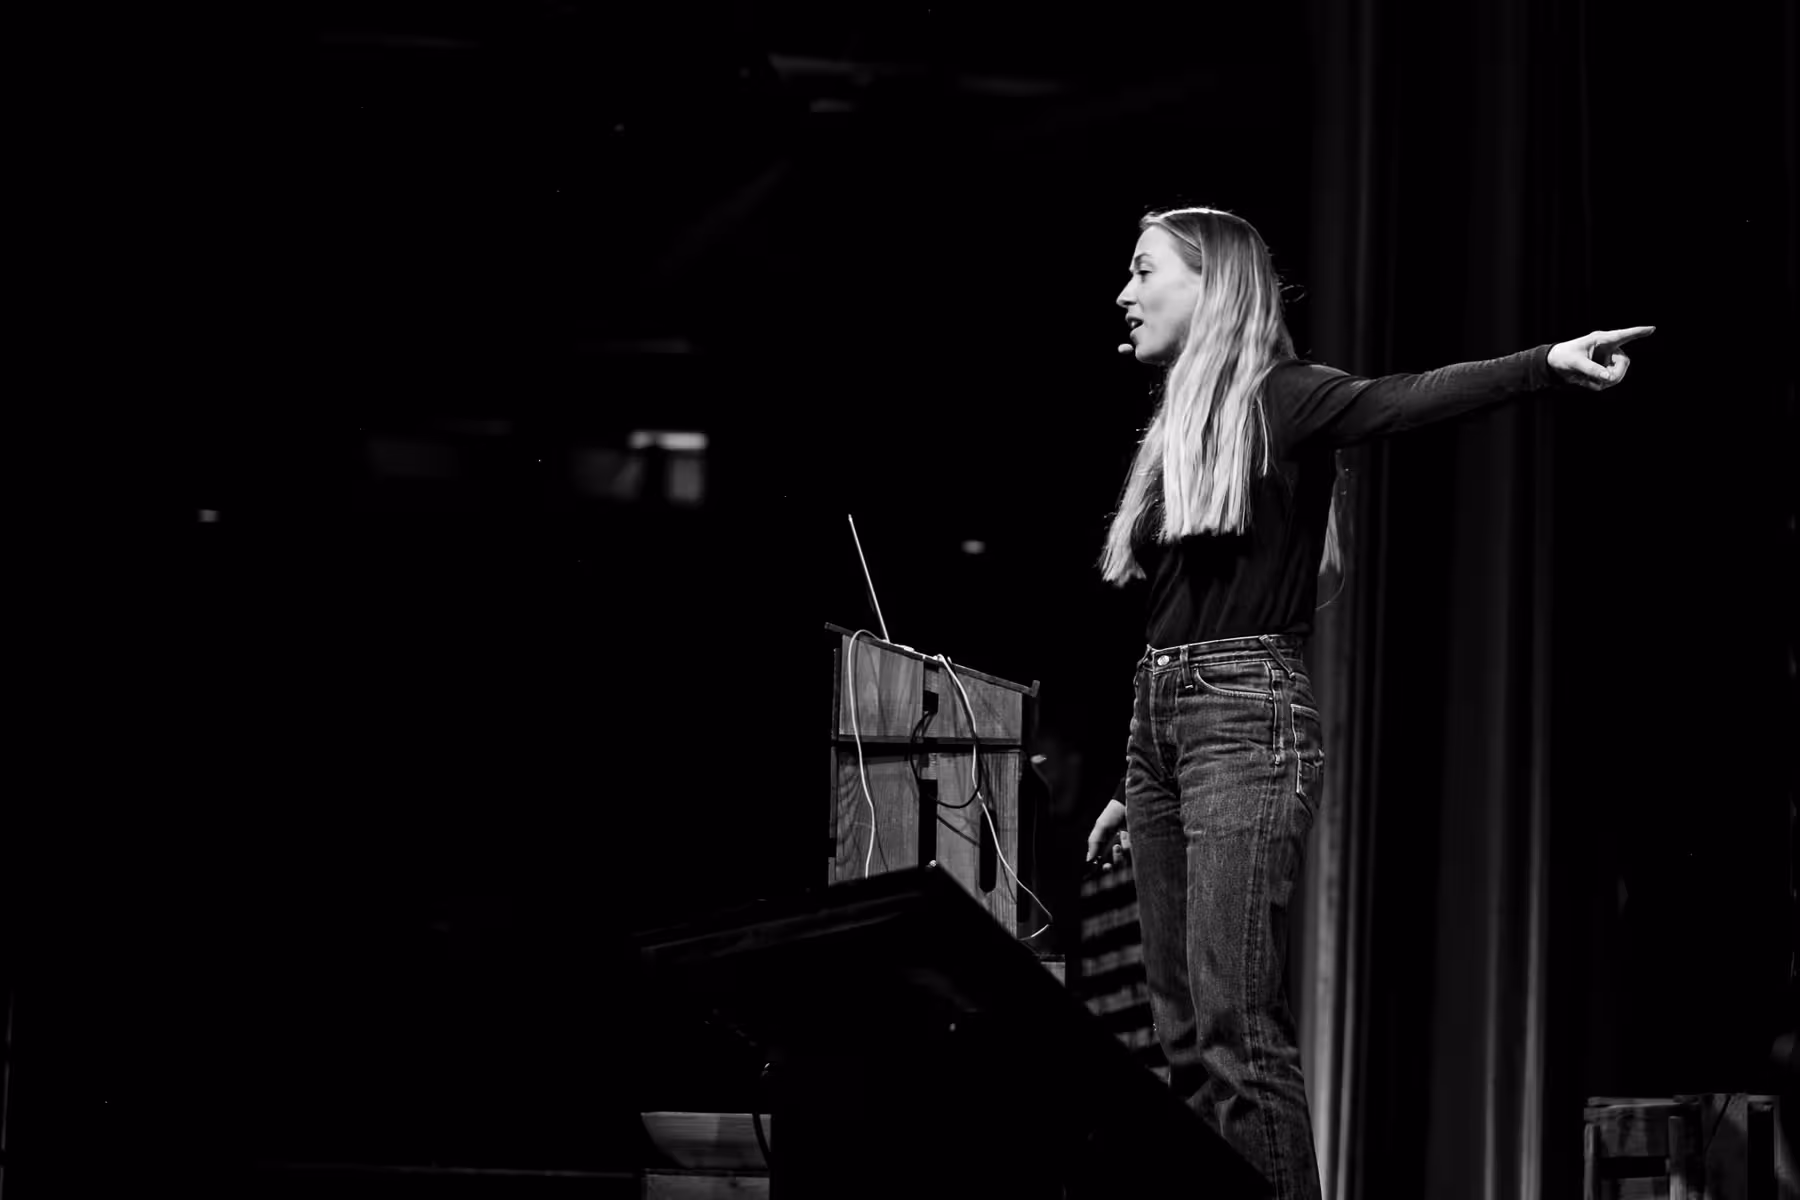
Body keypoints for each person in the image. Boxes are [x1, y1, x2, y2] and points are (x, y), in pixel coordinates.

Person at [1082, 206, 1652, 1200]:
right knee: (1180, 1038)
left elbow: (1404, 400)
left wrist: (1546, 362)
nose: (1123, 295)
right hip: (1165, 727)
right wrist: (1140, 778)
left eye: (1142, 272)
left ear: (1209, 286)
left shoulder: (1285, 398)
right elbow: (1175, 613)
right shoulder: (1182, 427)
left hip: (1242, 720)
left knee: (1232, 1022)